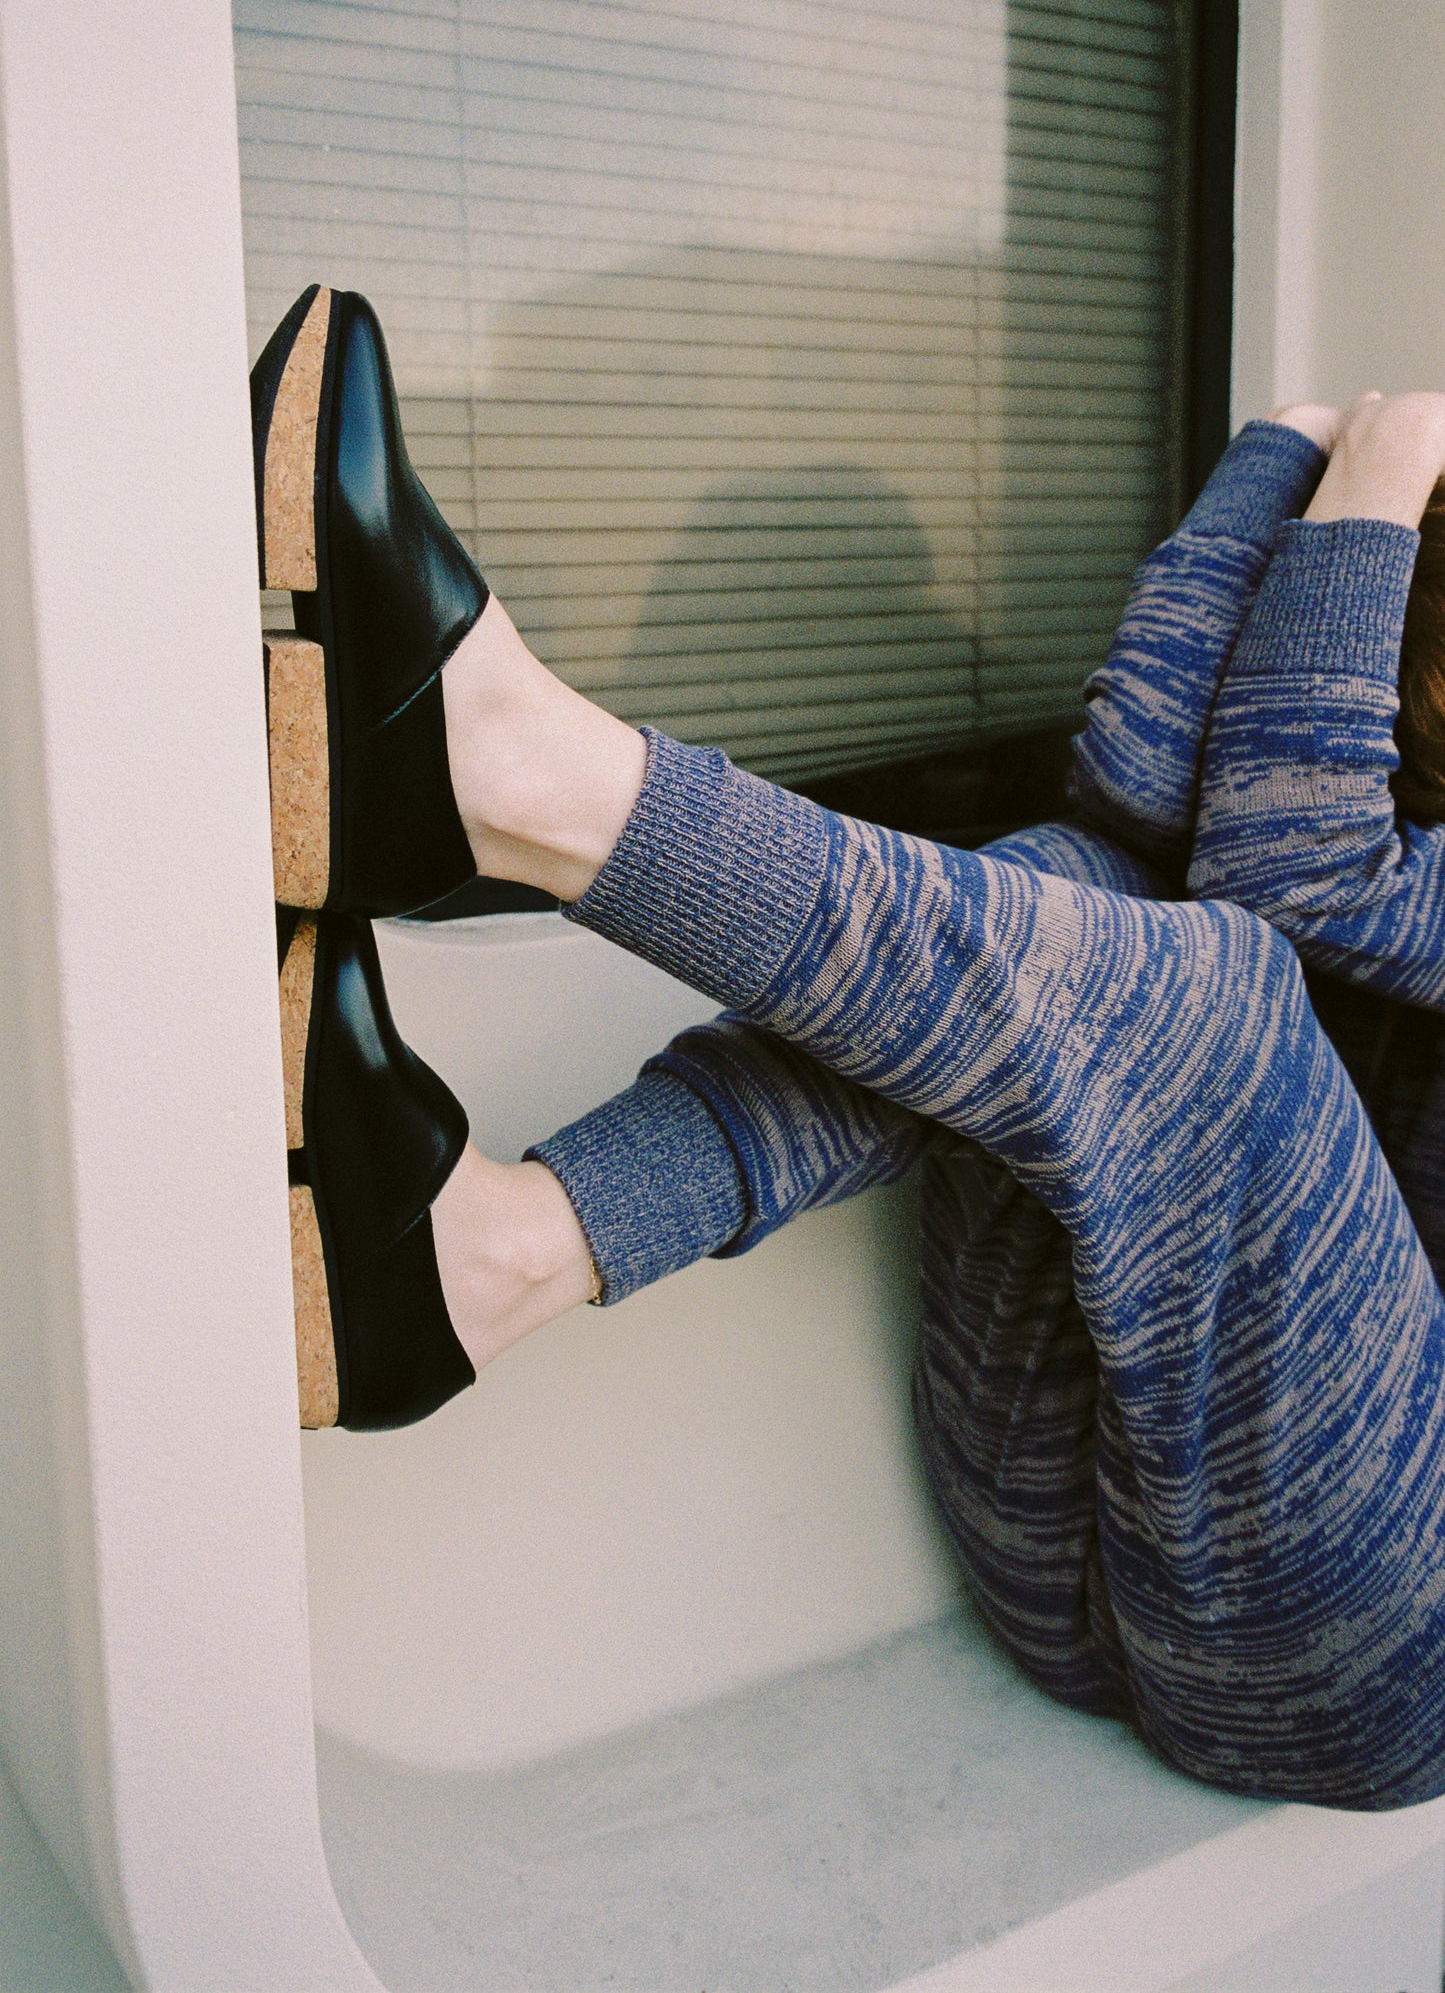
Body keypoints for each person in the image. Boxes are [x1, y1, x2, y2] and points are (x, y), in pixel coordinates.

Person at [255, 282, 1445, 1811]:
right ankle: (492, 1259)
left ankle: (500, 776)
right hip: (1072, 1532)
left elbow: (1295, 867)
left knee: (1209, 993)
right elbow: (1137, 786)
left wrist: (1383, 458)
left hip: (1386, 1648)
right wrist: (1289, 445)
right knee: (1079, 889)